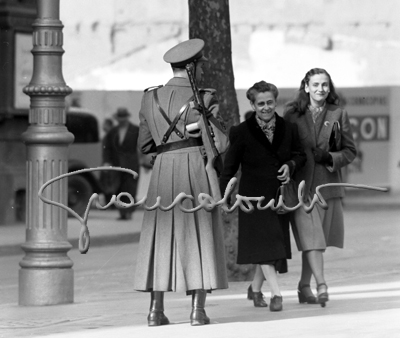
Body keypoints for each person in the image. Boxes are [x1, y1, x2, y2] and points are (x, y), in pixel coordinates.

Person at [134, 38, 228, 326]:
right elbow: (221, 142)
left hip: (163, 172)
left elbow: (145, 146)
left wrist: (164, 157)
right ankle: (197, 311)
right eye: (200, 66)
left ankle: (155, 311)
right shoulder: (204, 97)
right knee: (200, 233)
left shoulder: (150, 98)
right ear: (192, 66)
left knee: (159, 236)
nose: (202, 71)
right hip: (195, 168)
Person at [219, 80, 306, 311]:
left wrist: (290, 164)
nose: (266, 107)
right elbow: (229, 168)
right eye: (260, 103)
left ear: (275, 101)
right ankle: (277, 294)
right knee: (268, 247)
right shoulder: (240, 132)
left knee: (271, 246)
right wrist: (224, 196)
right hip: (252, 200)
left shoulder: (289, 129)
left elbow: (300, 155)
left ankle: (255, 289)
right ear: (252, 104)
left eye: (269, 102)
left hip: (279, 198)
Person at [283, 68, 356, 306]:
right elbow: (284, 148)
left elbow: (350, 151)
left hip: (327, 187)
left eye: (324, 85)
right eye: (315, 84)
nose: (320, 89)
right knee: (313, 239)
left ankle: (304, 287)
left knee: (314, 242)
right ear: (306, 87)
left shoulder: (338, 113)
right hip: (301, 189)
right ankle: (321, 285)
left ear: (329, 87)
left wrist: (330, 158)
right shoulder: (291, 114)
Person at [102, 107, 140, 220]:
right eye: (120, 118)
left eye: (123, 118)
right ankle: (122, 212)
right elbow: (107, 148)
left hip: (132, 164)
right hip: (116, 164)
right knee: (118, 189)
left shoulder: (135, 130)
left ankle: (128, 212)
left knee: (130, 189)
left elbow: (142, 146)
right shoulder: (112, 132)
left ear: (127, 118)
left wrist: (145, 160)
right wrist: (106, 162)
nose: (121, 120)